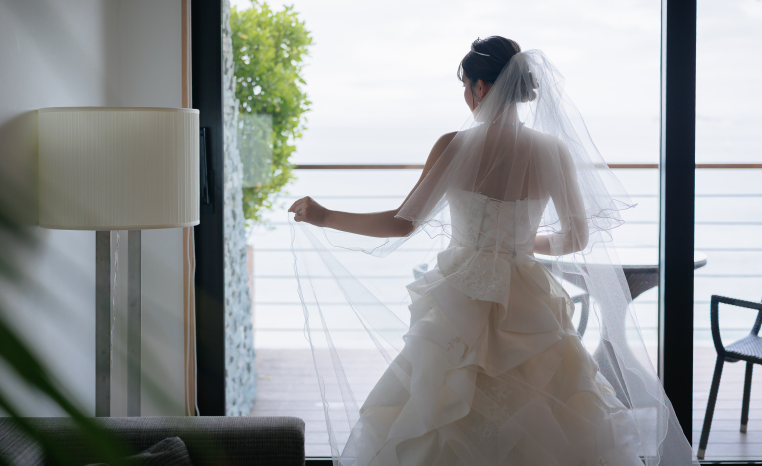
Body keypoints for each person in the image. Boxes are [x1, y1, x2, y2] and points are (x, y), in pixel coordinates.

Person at [288, 37, 697, 465]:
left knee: (441, 404)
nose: (466, 96)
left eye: (466, 85)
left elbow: (402, 223)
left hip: (460, 296)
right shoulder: (553, 150)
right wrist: (519, 244)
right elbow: (576, 238)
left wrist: (326, 215)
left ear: (481, 87)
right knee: (551, 404)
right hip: (528, 300)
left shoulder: (454, 145)